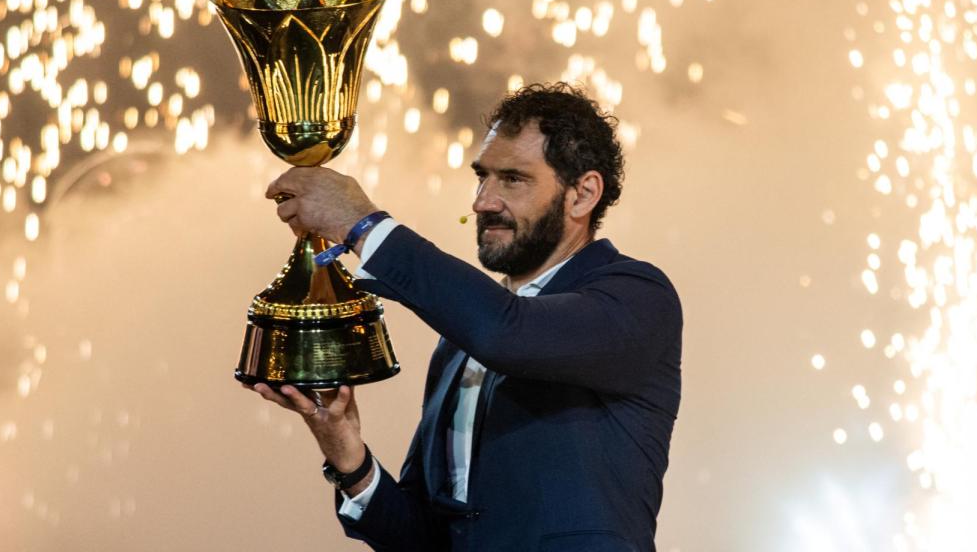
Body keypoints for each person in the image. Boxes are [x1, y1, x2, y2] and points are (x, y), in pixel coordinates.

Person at [248, 82, 683, 552]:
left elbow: (508, 332)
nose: (482, 201)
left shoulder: (637, 297)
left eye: (513, 179)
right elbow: (425, 540)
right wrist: (346, 453)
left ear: (582, 195)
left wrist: (364, 224)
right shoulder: (460, 343)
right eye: (483, 177)